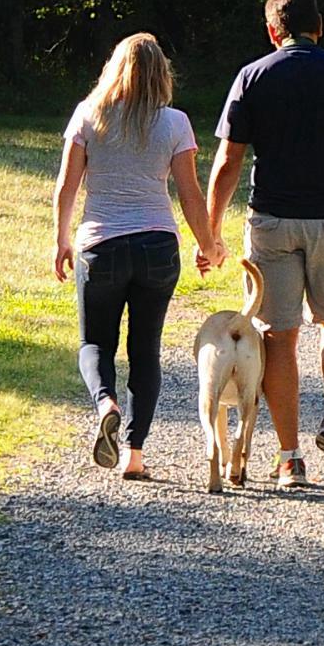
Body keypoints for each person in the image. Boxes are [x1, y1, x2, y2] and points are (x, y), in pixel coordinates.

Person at [205, 0, 324, 488]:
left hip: (272, 221)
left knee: (278, 336)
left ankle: (290, 458)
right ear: (320, 27)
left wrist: (211, 231)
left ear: (273, 31)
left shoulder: (252, 76)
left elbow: (228, 161)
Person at [54, 33, 223, 480]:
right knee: (145, 350)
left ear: (114, 70)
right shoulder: (175, 123)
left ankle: (105, 404)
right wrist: (208, 245)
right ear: (161, 75)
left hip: (101, 245)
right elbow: (189, 194)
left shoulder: (88, 115)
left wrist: (61, 240)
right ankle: (134, 455)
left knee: (95, 343)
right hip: (157, 247)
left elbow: (67, 186)